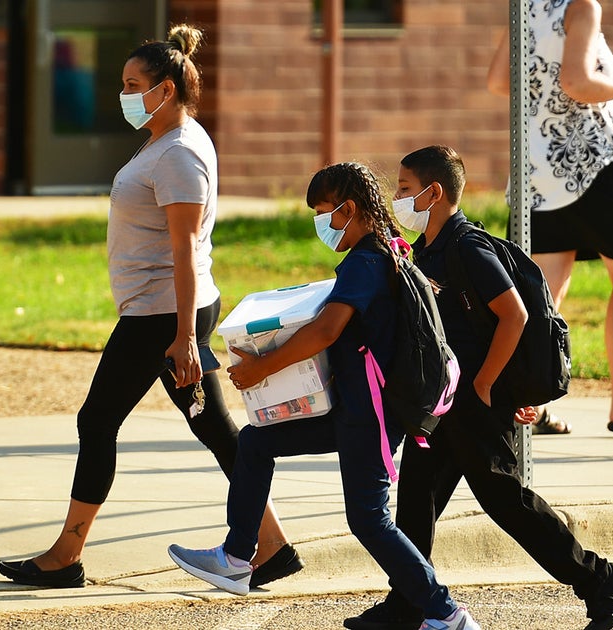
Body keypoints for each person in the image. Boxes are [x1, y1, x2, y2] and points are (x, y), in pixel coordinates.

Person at [0, 24, 301, 589]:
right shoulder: (172, 137)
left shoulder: (180, 154)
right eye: (123, 83)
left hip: (162, 316)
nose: (125, 93)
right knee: (213, 425)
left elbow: (184, 251)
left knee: (98, 420)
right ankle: (272, 545)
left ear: (166, 88)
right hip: (167, 309)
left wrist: (184, 336)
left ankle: (66, 557)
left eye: (133, 83)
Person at [166, 162, 481, 630]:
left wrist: (262, 368)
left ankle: (446, 613)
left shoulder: (367, 260)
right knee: (256, 441)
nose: (321, 224)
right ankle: (236, 557)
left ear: (348, 209)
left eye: (323, 213)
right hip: (350, 408)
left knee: (370, 519)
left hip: (370, 413)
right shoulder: (389, 250)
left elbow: (327, 328)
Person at [342, 145, 613, 630]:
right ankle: (408, 603)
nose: (399, 198)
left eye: (407, 189)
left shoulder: (466, 246)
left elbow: (513, 315)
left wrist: (489, 384)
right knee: (417, 500)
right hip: (444, 403)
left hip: (474, 402)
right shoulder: (428, 250)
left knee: (507, 503)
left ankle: (600, 578)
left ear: (435, 193)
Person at [487, 0, 613, 435]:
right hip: (588, 163)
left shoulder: (524, 5)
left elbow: (498, 81)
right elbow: (577, 83)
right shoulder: (582, 6)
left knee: (543, 291)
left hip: (535, 168)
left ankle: (525, 403)